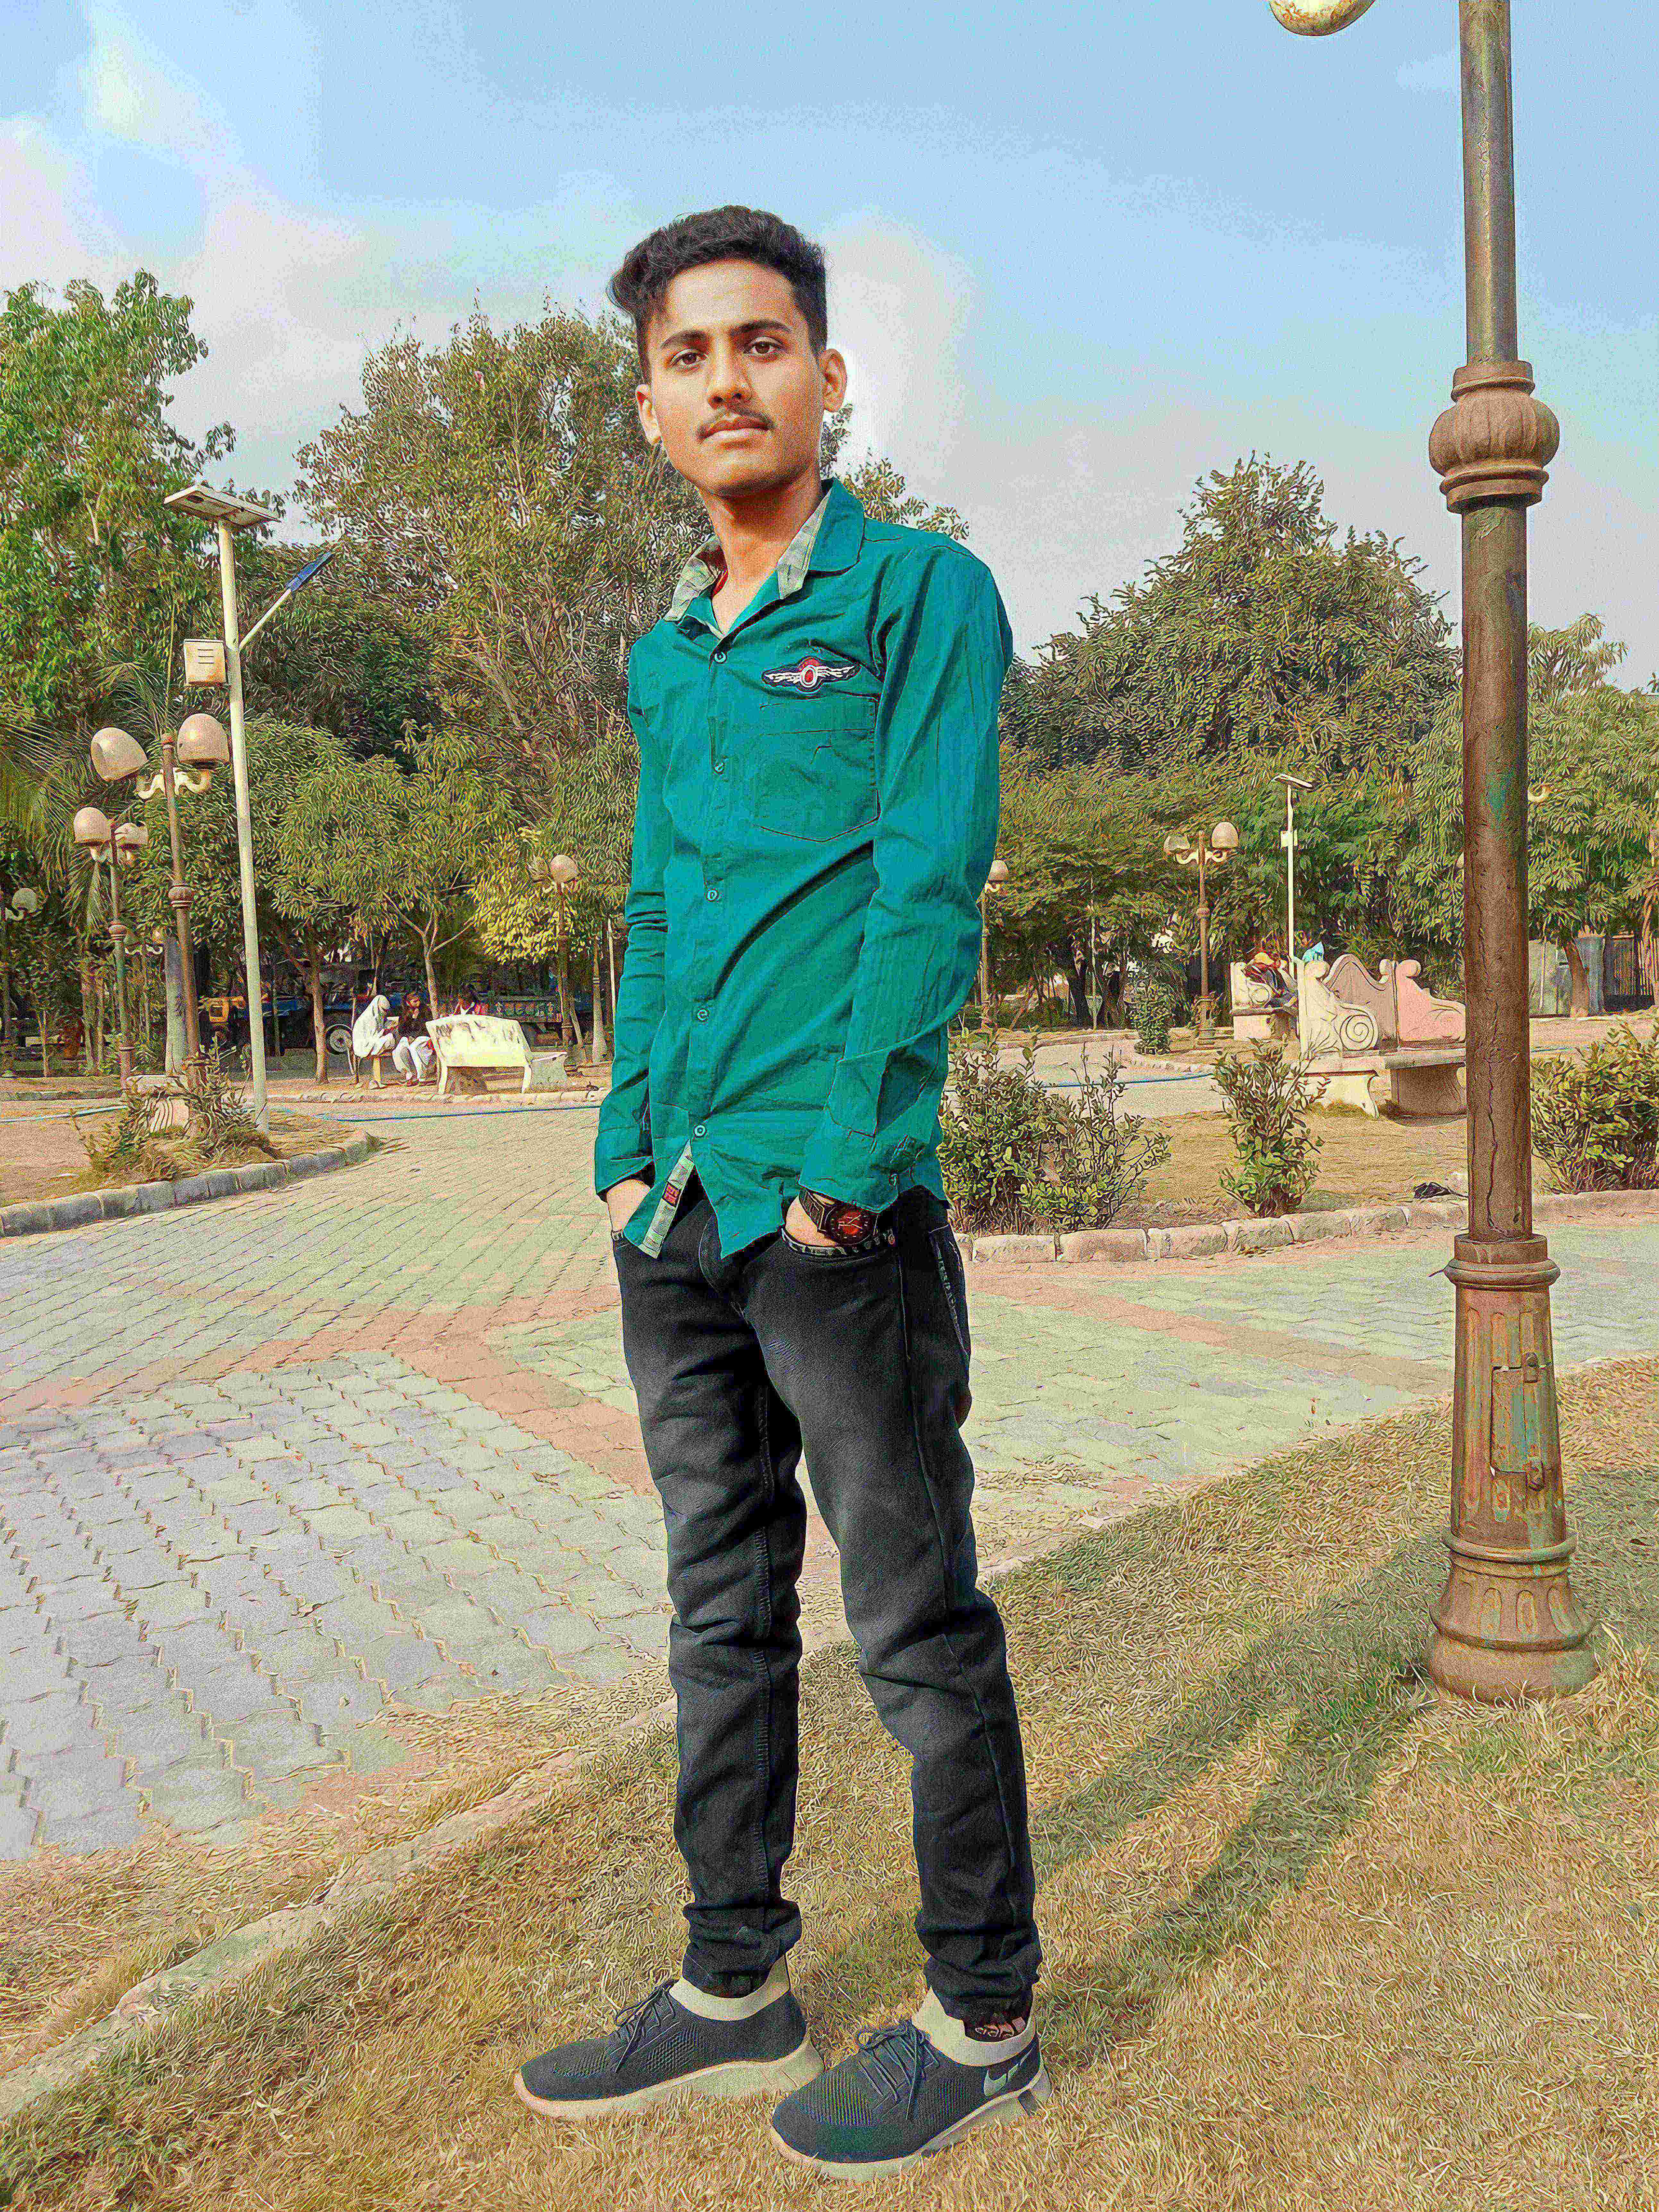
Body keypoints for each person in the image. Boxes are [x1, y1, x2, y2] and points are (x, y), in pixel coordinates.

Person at [514, 207, 1044, 2181]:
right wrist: (623, 1147)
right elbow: (659, 906)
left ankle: (984, 2019)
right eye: (686, 354)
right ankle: (734, 1983)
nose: (723, 379)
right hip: (677, 1219)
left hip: (835, 1224)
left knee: (912, 1623)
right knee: (720, 1614)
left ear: (827, 377)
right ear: (648, 405)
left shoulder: (919, 596)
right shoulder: (668, 661)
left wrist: (845, 1173)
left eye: (759, 344)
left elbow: (928, 881)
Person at [392, 989, 434, 1084]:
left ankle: (422, 1077)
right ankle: (410, 1075)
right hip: (409, 1037)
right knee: (399, 1051)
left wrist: (415, 1035)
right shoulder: (405, 1013)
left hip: (422, 1035)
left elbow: (426, 1027)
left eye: (419, 1000)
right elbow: (402, 1030)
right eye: (415, 1001)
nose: (418, 1003)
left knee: (414, 1048)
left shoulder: (425, 1010)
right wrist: (412, 1019)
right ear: (408, 1003)